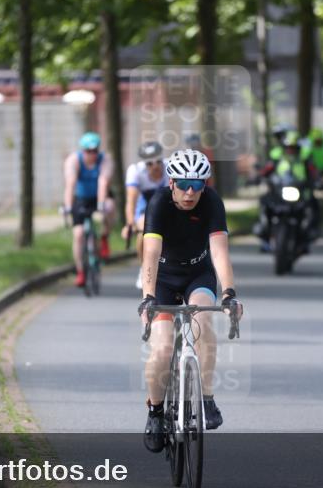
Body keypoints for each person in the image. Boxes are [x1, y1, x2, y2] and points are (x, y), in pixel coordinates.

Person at [137, 149, 242, 452]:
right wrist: (148, 297)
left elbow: (220, 252)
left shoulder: (211, 202)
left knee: (204, 322)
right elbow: (151, 254)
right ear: (171, 183)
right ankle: (156, 412)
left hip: (199, 274)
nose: (190, 192)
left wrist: (229, 293)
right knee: (163, 348)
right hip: (164, 281)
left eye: (198, 185)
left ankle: (206, 399)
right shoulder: (158, 203)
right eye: (184, 184)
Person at [63, 131, 114, 287]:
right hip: (80, 198)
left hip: (99, 195)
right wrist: (67, 207)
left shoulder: (105, 159)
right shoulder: (73, 161)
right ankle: (80, 271)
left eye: (94, 151)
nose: (92, 154)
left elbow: (103, 181)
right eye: (88, 151)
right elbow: (70, 184)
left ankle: (105, 236)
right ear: (82, 150)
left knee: (110, 207)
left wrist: (100, 205)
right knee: (78, 235)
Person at [252, 131, 318, 250]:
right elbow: (267, 169)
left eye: (293, 148)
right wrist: (259, 176)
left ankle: (309, 232)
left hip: (300, 192)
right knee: (264, 201)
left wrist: (317, 181)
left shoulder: (304, 159)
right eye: (288, 148)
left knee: (312, 204)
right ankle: (264, 229)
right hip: (279, 192)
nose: (290, 150)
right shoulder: (278, 158)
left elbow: (313, 173)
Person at [122, 141, 168, 289]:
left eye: (158, 161)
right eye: (149, 163)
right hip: (145, 206)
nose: (154, 166)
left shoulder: (170, 168)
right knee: (143, 229)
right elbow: (131, 201)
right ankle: (145, 267)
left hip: (167, 204)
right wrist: (130, 224)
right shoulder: (135, 171)